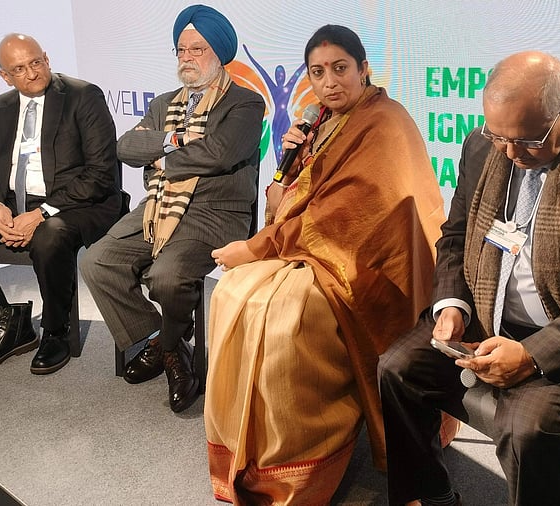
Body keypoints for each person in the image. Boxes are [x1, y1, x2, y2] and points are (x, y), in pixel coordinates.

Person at [378, 51, 560, 506]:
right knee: (397, 369)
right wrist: (452, 304)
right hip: (485, 311)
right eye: (500, 137)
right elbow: (455, 235)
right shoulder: (481, 146)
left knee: (526, 430)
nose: (511, 154)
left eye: (528, 141)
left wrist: (531, 355)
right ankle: (434, 497)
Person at [204, 25, 446, 505]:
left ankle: (300, 467)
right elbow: (290, 198)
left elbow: (345, 217)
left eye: (340, 69)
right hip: (312, 247)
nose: (330, 82)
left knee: (285, 319)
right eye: (318, 72)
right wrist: (289, 160)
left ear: (364, 69)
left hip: (369, 266)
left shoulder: (385, 121)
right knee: (235, 296)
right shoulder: (319, 122)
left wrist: (255, 249)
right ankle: (251, 457)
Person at [79, 5, 263, 413]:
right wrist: (177, 141)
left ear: (218, 51)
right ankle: (167, 343)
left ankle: (168, 349)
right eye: (181, 49)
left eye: (197, 49)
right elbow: (126, 147)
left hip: (217, 213)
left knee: (166, 276)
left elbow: (219, 153)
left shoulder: (245, 104)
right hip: (159, 206)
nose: (187, 58)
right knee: (97, 261)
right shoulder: (165, 103)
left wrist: (160, 151)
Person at [0, 33, 124, 376]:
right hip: (14, 203)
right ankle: (6, 319)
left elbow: (100, 174)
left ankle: (56, 331)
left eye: (36, 62)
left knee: (49, 236)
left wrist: (41, 213)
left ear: (46, 58)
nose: (32, 72)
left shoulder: (83, 96)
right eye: (20, 68)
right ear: (5, 76)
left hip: (77, 204)